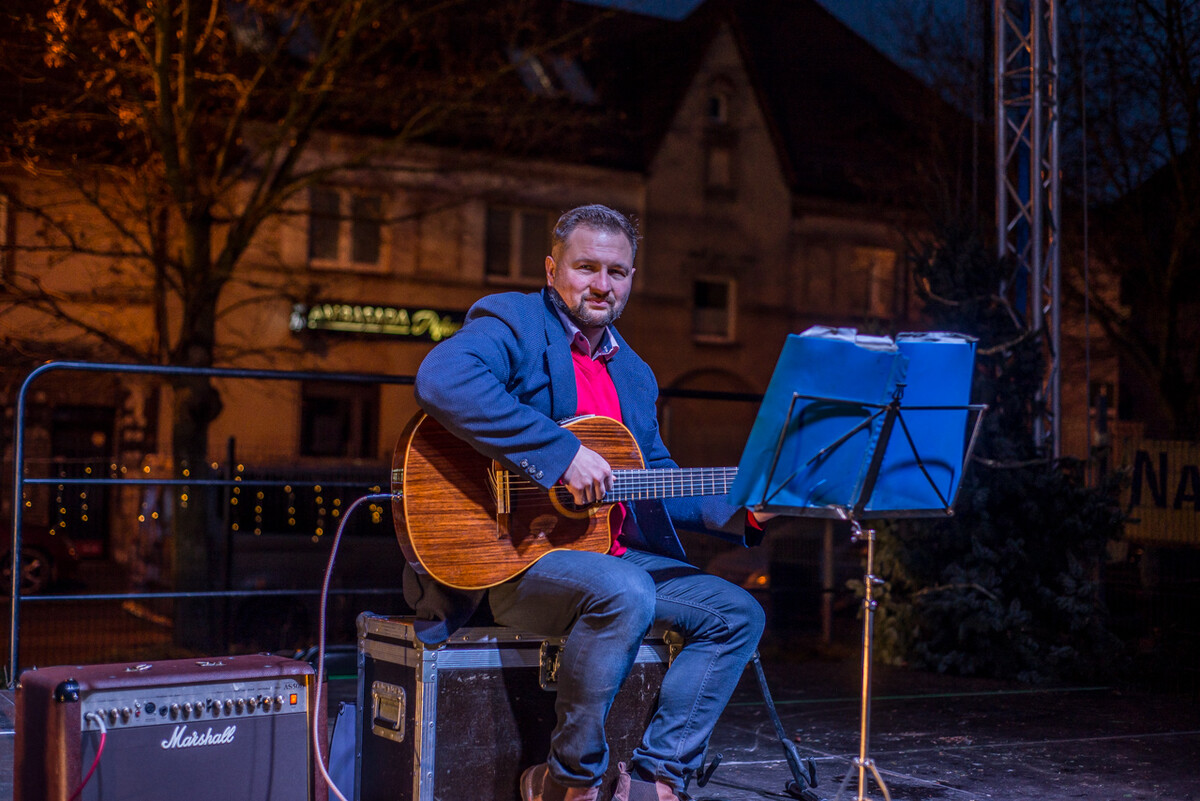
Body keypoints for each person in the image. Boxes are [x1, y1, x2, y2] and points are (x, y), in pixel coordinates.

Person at [410, 204, 770, 801]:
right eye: (586, 267)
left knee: (737, 614)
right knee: (626, 590)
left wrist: (752, 507)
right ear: (552, 270)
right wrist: (559, 455)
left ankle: (659, 777)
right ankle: (568, 782)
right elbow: (443, 378)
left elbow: (654, 480)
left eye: (617, 272)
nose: (602, 284)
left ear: (632, 278)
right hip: (513, 560)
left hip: (608, 557)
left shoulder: (635, 374)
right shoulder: (515, 322)